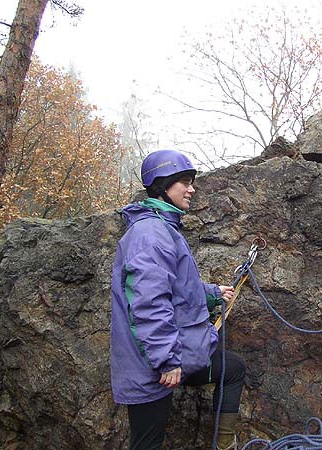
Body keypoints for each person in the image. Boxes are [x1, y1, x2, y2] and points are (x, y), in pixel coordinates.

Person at [110, 149, 245, 450]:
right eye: (184, 181)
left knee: (232, 368)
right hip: (153, 366)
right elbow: (148, 303)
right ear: (162, 184)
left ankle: (225, 446)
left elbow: (175, 286)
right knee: (147, 444)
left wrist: (211, 294)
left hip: (171, 357)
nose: (192, 189)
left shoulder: (162, 228)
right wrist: (168, 360)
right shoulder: (151, 234)